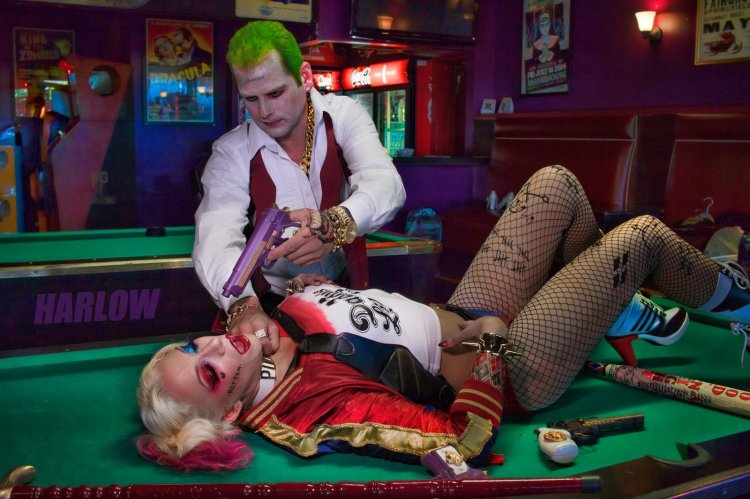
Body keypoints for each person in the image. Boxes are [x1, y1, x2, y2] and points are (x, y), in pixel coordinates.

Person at [137, 165, 750, 472]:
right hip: (510, 365)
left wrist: (313, 294)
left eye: (194, 347)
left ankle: (610, 311)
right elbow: (462, 439)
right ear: (231, 414)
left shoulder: (258, 339)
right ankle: (742, 303)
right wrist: (492, 347)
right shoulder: (309, 408)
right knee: (639, 238)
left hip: (462, 308)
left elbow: (359, 330)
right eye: (211, 374)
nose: (216, 349)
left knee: (556, 184)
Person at [193, 21, 405, 352]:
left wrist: (334, 225)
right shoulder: (231, 152)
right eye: (251, 99)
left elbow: (385, 184)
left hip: (347, 295)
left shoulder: (343, 116)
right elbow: (217, 233)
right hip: (269, 302)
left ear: (305, 77)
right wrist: (243, 305)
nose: (264, 111)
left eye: (275, 93)